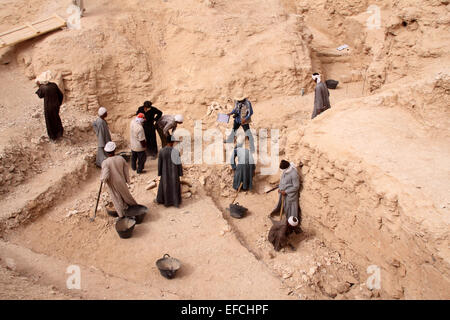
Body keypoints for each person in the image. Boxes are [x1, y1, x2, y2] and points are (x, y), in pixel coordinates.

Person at [100, 141, 138, 218]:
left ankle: (122, 215)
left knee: (116, 198)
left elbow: (105, 176)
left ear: (107, 152)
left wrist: (102, 179)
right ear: (114, 150)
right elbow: (126, 170)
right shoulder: (121, 159)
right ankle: (136, 209)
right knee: (126, 196)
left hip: (113, 183)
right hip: (121, 181)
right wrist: (127, 180)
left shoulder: (105, 162)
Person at [269, 160, 302, 233]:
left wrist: (286, 191)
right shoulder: (286, 170)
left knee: (291, 209)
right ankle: (286, 221)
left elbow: (296, 187)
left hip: (291, 195)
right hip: (283, 193)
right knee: (285, 207)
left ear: (287, 168)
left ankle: (291, 225)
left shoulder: (294, 174)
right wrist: (280, 188)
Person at [35, 71, 64, 141]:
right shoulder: (54, 85)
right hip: (55, 106)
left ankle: (53, 136)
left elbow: (40, 95)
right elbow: (61, 95)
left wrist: (38, 85)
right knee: (56, 118)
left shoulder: (43, 88)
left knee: (49, 121)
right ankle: (60, 133)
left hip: (48, 107)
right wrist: (58, 103)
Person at [156, 135, 183, 208]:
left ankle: (165, 201)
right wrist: (180, 173)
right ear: (173, 142)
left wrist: (159, 173)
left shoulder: (162, 151)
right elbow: (179, 164)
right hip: (174, 173)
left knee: (165, 186)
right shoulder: (176, 151)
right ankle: (175, 202)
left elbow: (159, 164)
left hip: (165, 173)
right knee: (174, 187)